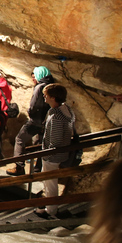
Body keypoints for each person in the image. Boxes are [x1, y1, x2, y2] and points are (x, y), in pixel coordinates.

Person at [35, 83, 75, 218]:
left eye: (46, 96)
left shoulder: (57, 116)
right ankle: (49, 206)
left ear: (53, 97)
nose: (44, 98)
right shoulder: (66, 110)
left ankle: (51, 210)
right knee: (49, 181)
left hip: (53, 155)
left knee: (50, 182)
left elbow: (56, 139)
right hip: (57, 154)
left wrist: (47, 154)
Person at [7, 66, 56, 175]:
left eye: (35, 76)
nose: (33, 79)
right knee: (39, 144)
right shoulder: (52, 86)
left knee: (19, 139)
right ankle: (37, 169)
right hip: (46, 122)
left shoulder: (40, 87)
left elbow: (34, 105)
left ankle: (19, 167)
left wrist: (31, 113)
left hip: (36, 121)